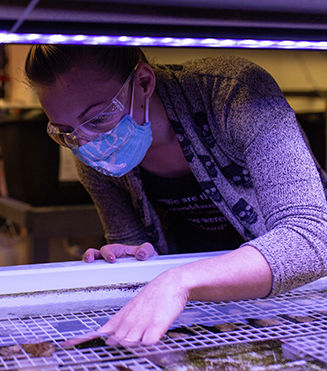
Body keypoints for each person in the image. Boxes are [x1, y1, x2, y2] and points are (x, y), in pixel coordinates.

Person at [24, 45, 327, 346]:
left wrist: (179, 281)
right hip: (206, 313)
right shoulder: (92, 151)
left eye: (97, 119)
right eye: (64, 131)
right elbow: (133, 245)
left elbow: (311, 238)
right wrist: (131, 258)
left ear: (143, 82)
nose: (87, 142)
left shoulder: (234, 94)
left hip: (299, 293)